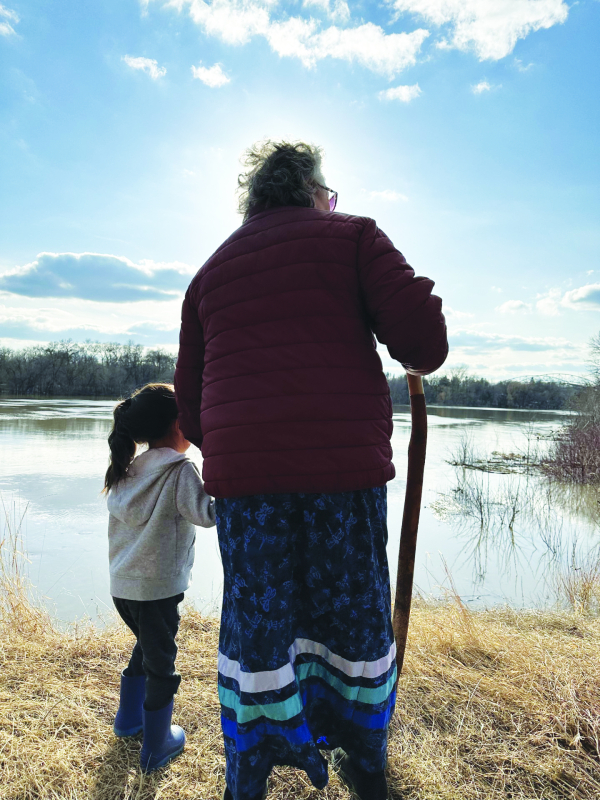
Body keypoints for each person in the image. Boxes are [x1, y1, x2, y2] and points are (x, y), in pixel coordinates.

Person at [174, 140, 448, 800]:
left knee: (258, 630)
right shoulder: (353, 237)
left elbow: (190, 398)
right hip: (341, 476)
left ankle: (250, 771)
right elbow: (424, 345)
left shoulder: (210, 271)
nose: (332, 204)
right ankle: (366, 761)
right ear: (310, 189)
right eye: (328, 193)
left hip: (249, 488)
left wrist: (239, 452)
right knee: (353, 621)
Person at [104, 382, 215, 772]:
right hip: (157, 591)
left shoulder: (127, 469)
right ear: (177, 424)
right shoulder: (179, 470)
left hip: (124, 588)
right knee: (162, 665)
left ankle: (128, 719)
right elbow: (206, 515)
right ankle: (156, 745)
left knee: (147, 648)